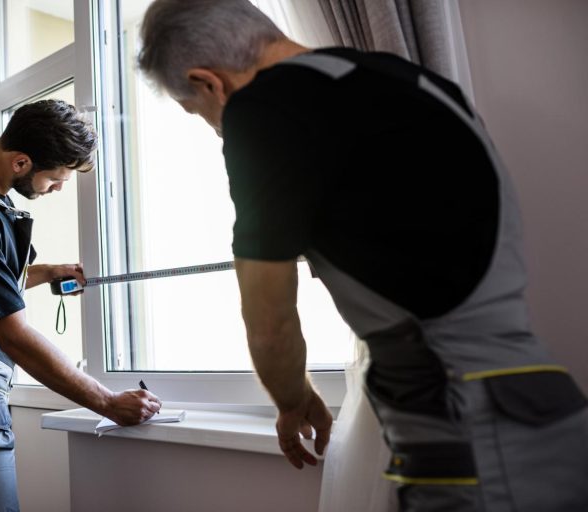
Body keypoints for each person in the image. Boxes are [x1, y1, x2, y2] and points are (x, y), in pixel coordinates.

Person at [138, 1, 588, 510]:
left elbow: (269, 321)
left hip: (463, 421)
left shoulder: (263, 110)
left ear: (209, 83)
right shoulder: (412, 80)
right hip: (537, 404)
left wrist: (292, 400)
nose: (218, 129)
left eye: (202, 114)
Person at [0, 99, 161, 512]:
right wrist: (107, 402)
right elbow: (14, 335)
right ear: (21, 162)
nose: (57, 188)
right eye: (55, 179)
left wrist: (48, 271)